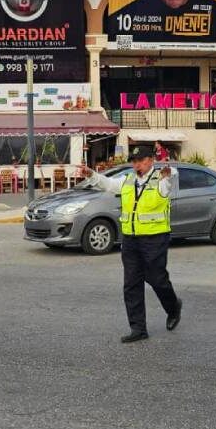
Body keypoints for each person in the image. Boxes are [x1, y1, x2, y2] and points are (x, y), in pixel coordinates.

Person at [78, 145, 181, 344]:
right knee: (131, 284)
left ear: (151, 160)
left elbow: (168, 183)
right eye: (134, 161)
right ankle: (138, 328)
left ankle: (173, 307)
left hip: (155, 238)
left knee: (156, 279)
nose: (137, 165)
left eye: (141, 161)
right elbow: (108, 184)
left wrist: (167, 175)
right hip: (131, 239)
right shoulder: (128, 180)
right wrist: (91, 175)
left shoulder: (161, 179)